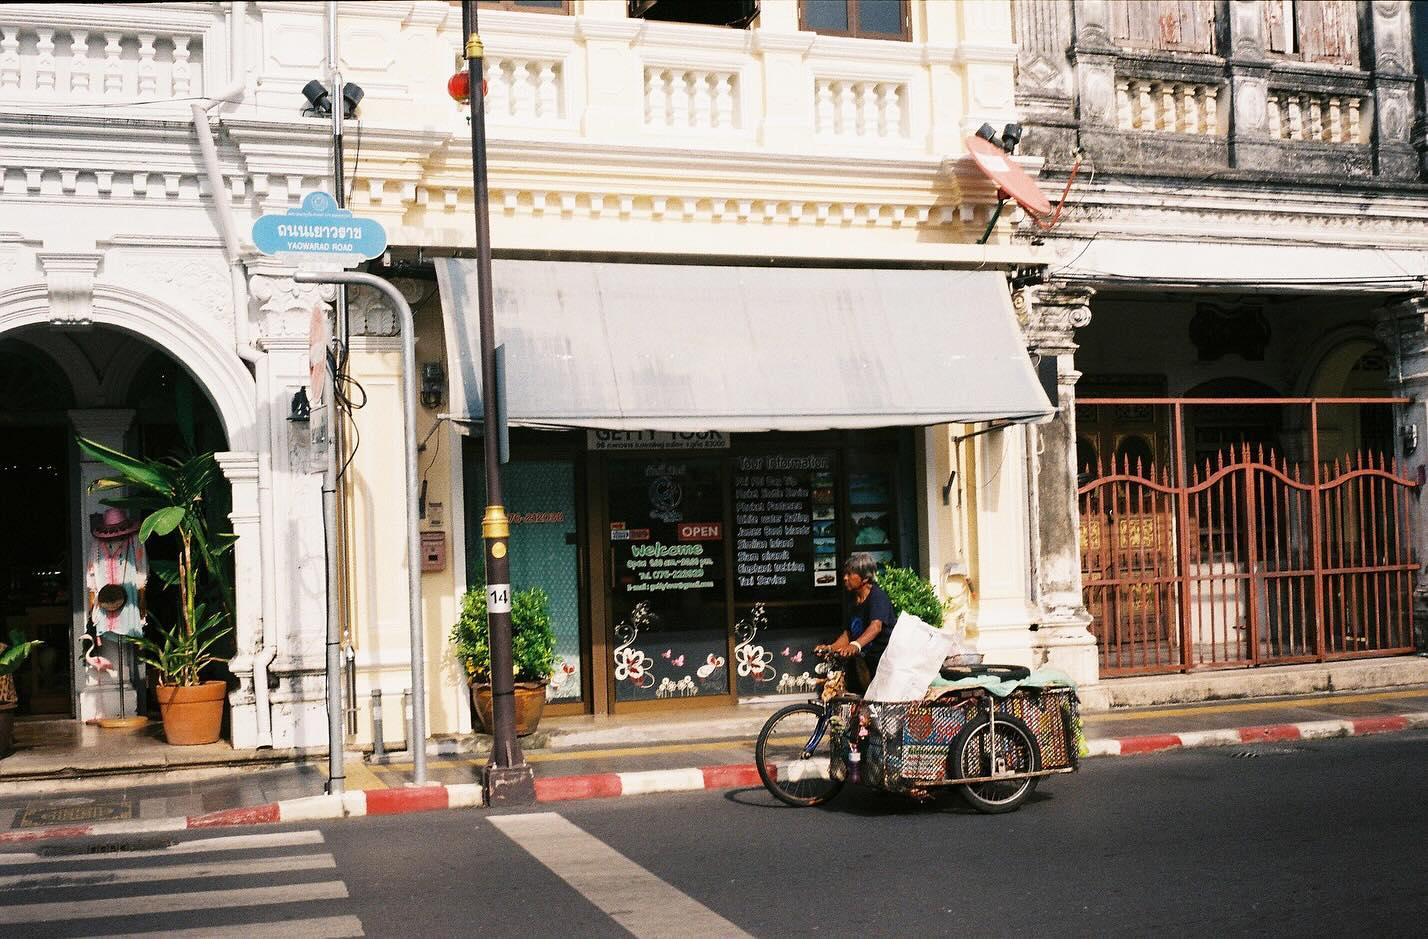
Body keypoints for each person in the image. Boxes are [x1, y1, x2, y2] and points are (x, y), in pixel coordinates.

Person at [815, 552, 895, 695]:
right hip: (863, 666)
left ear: (864, 578)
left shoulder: (878, 597)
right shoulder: (853, 602)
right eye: (845, 574)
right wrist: (830, 648)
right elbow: (848, 634)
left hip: (882, 666)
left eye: (850, 574)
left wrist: (855, 645)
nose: (845, 578)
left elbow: (876, 626)